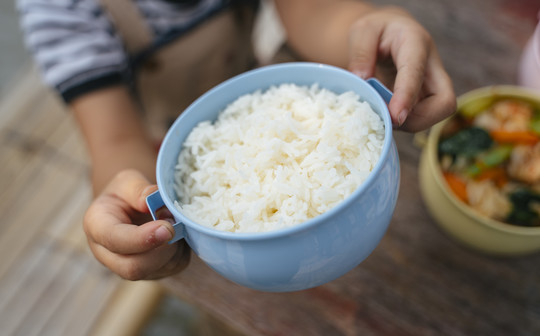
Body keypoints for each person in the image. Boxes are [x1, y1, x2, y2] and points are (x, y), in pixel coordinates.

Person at [17, 0, 456, 281]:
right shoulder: (59, 8)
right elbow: (114, 139)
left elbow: (314, 13)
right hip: (169, 172)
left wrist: (376, 28)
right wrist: (123, 201)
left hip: (273, 105)